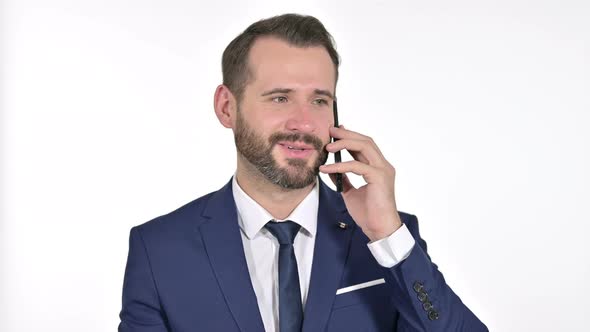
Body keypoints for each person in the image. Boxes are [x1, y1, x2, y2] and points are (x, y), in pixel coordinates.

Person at [118, 13, 488, 332]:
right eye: (280, 98)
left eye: (319, 100)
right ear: (227, 107)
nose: (304, 122)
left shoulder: (384, 238)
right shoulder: (159, 250)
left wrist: (387, 234)